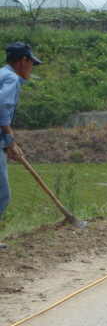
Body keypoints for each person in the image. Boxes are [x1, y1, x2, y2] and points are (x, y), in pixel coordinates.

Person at [0, 42, 41, 249]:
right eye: (31, 64)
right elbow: (1, 107)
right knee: (2, 192)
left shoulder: (1, 74)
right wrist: (9, 138)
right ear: (23, 61)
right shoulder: (11, 78)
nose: (31, 69)